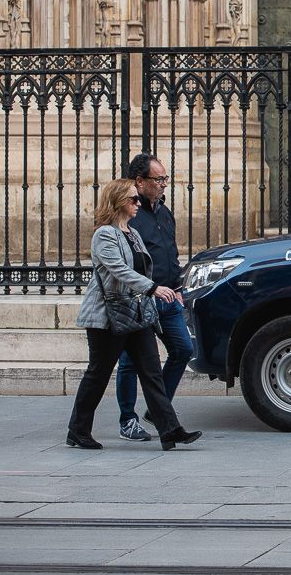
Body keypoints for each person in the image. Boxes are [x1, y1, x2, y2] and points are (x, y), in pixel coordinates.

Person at [67, 178, 202, 451]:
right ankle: (78, 430)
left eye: (137, 199)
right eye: (132, 199)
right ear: (117, 202)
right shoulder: (104, 235)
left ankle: (170, 431)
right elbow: (119, 270)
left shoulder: (132, 233)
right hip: (107, 317)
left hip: (135, 313)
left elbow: (143, 269)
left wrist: (159, 290)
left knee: (151, 372)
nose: (137, 203)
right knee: (98, 373)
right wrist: (153, 289)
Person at [113, 153, 194, 442]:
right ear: (139, 181)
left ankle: (157, 409)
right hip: (141, 298)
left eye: (165, 179)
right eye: (158, 179)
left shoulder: (164, 212)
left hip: (168, 296)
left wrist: (178, 287)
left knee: (183, 350)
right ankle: (127, 420)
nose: (164, 184)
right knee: (129, 362)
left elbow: (170, 253)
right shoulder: (130, 215)